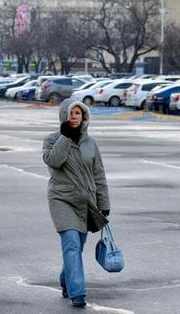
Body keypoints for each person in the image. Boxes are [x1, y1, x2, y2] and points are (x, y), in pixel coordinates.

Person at [43, 99, 110, 308]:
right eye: (70, 113)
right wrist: (65, 137)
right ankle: (78, 293)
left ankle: (66, 280)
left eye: (78, 114)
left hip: (86, 201)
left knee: (77, 247)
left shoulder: (90, 143)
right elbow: (53, 161)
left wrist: (104, 201)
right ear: (63, 115)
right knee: (71, 243)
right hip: (61, 199)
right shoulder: (52, 139)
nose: (74, 117)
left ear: (84, 117)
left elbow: (99, 174)